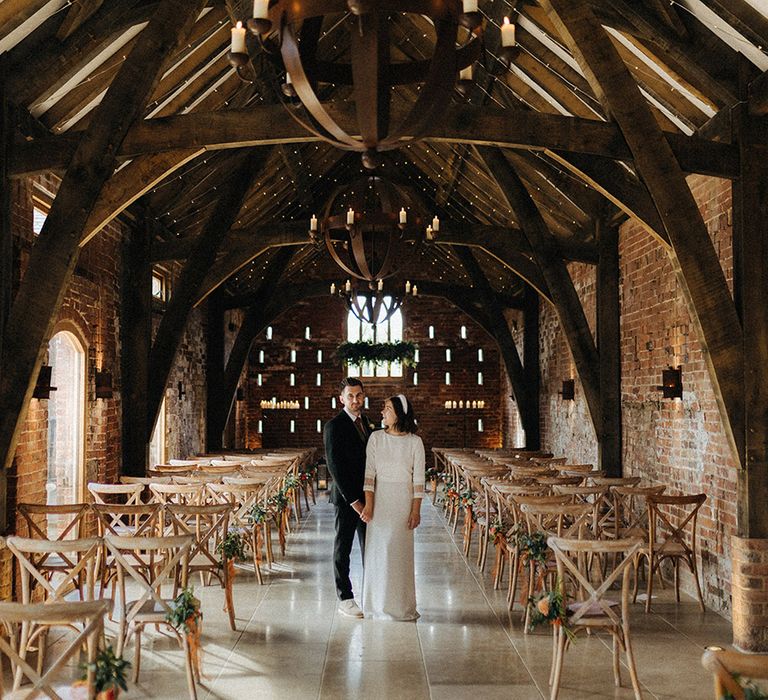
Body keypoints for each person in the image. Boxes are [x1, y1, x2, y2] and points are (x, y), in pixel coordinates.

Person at [360, 394, 425, 621]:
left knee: (398, 553)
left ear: (399, 413)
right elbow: (369, 475)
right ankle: (376, 605)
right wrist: (369, 505)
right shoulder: (376, 439)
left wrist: (415, 510)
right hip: (380, 501)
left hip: (403, 502)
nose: (382, 412)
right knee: (379, 552)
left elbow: (419, 481)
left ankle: (400, 606)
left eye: (387, 409)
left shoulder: (415, 442)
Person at [323, 377, 375, 618]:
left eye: (359, 395)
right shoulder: (335, 425)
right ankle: (345, 597)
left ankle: (373, 593)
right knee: (343, 547)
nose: (356, 400)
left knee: (370, 547)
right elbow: (335, 467)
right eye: (350, 396)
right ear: (341, 399)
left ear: (364, 396)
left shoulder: (366, 423)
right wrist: (356, 502)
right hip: (347, 500)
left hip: (368, 496)